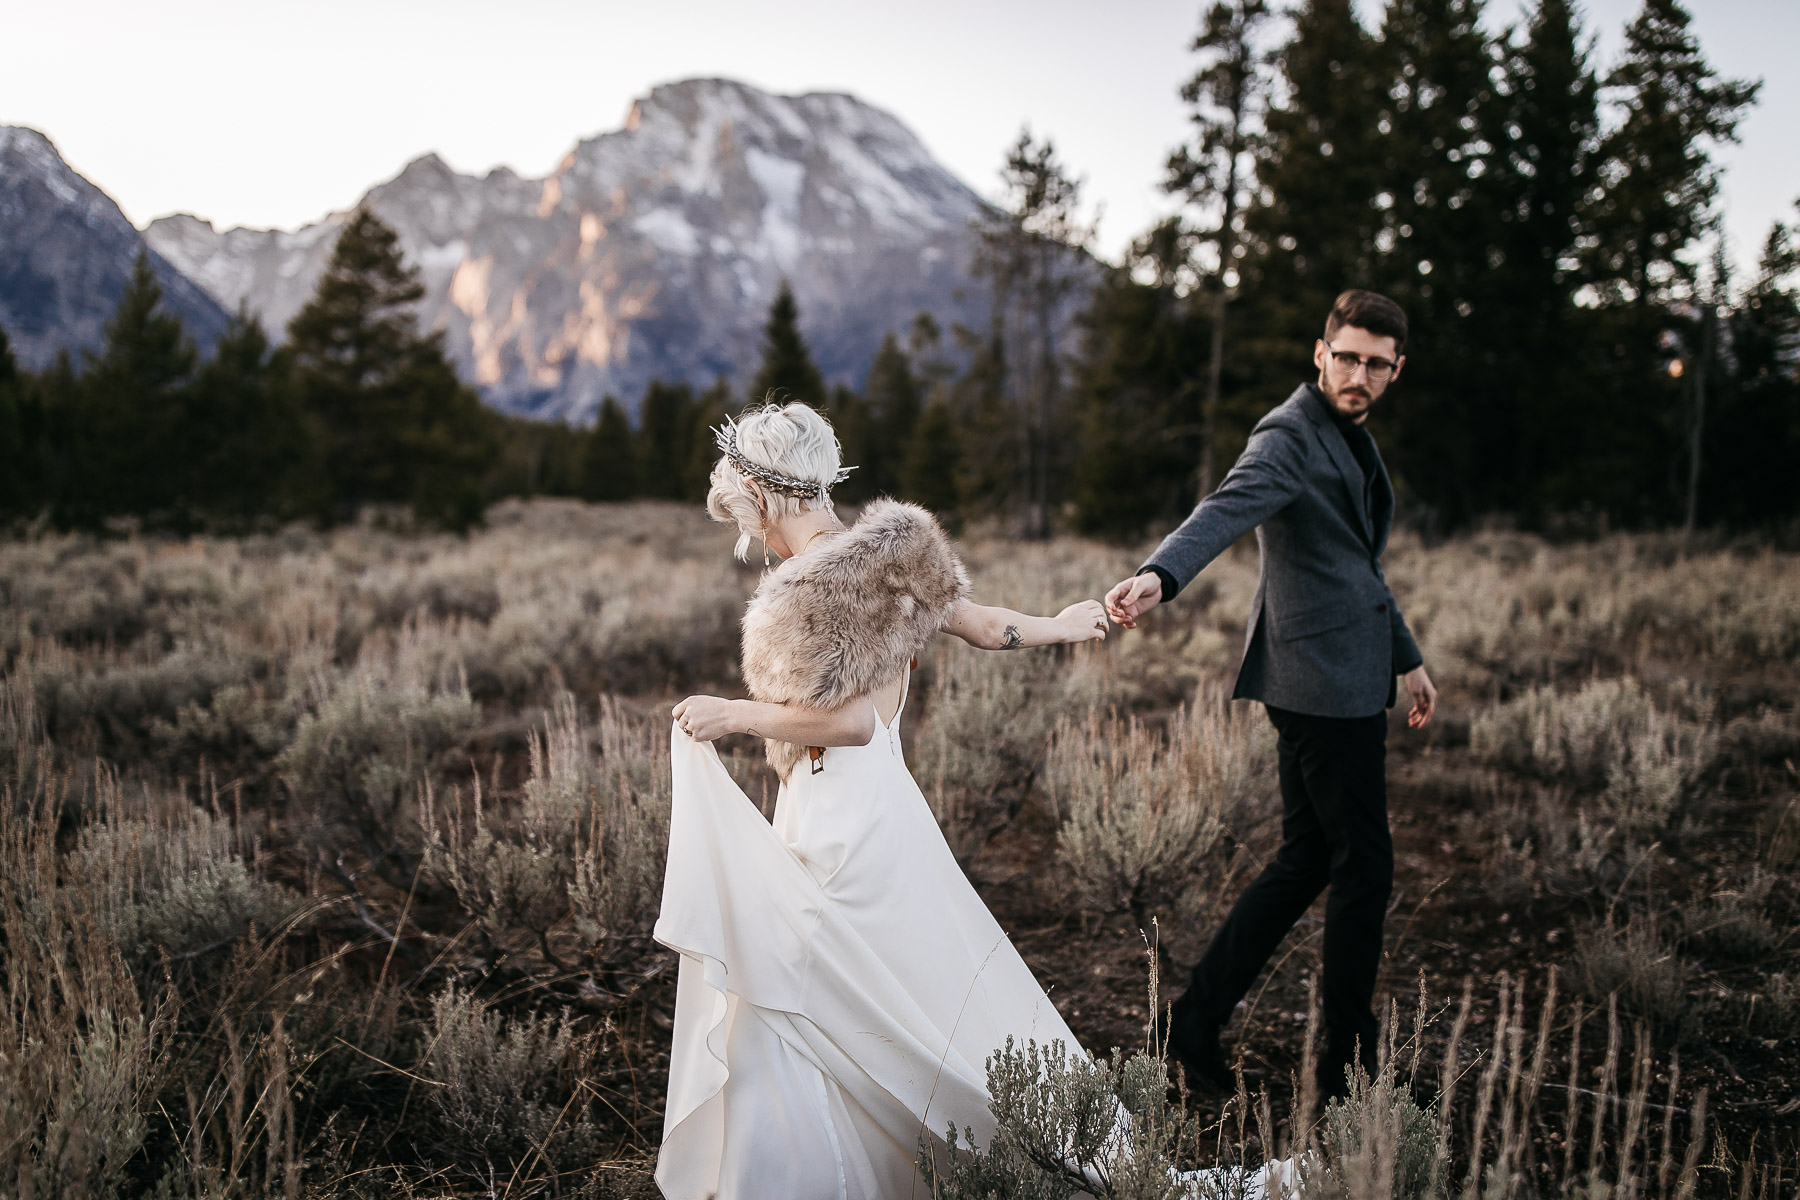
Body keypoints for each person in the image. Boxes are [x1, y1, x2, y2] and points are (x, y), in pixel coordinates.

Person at [654, 401, 1110, 1200]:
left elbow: (853, 723)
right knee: (899, 995)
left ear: (760, 497)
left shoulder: (807, 588)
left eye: (746, 520)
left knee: (804, 1000)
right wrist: (1061, 625)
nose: (756, 541)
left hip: (840, 824)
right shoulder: (899, 555)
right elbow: (982, 625)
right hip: (883, 812)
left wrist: (735, 715)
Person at [1103, 289, 1438, 1100]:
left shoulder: (1350, 437)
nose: (1358, 374)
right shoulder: (1290, 434)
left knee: (1308, 858)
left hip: (1338, 669)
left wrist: (1407, 657)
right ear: (1321, 354)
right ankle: (1347, 1072)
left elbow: (1359, 565)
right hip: (1321, 685)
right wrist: (1160, 575)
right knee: (1365, 868)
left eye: (1375, 364)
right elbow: (1225, 508)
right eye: (1346, 357)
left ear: (1396, 370)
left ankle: (1193, 1021)